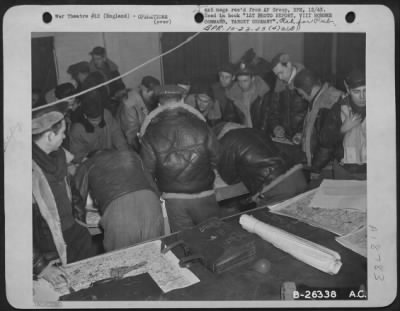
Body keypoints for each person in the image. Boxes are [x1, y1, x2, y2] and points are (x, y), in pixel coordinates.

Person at [139, 85, 221, 232]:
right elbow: (217, 157)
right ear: (183, 100)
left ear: (159, 105)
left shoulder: (150, 133)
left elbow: (147, 173)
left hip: (174, 201)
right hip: (205, 195)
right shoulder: (201, 124)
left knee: (187, 244)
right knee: (214, 238)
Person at [32, 110, 97, 286]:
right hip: (47, 244)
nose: (64, 137)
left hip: (72, 231)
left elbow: (72, 191)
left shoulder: (59, 156)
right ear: (49, 135)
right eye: (62, 133)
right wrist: (40, 266)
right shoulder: (25, 169)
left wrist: (79, 216)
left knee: (90, 278)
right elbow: (16, 228)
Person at [73, 150, 164, 251]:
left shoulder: (86, 165)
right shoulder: (131, 154)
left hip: (119, 211)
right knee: (153, 252)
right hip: (150, 202)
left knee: (121, 259)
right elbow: (151, 183)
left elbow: (77, 198)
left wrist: (81, 226)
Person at [214, 122, 308, 205]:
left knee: (271, 222)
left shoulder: (226, 141)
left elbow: (230, 178)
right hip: (298, 176)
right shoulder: (255, 132)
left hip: (276, 187)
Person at [293, 69, 344, 182]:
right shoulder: (320, 98)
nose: (302, 97)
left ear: (307, 89)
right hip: (323, 163)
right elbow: (317, 129)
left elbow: (327, 143)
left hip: (328, 167)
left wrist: (316, 168)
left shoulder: (329, 102)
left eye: (301, 93)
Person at [69, 79, 129, 163]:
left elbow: (117, 134)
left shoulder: (106, 114)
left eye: (99, 118)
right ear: (85, 116)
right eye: (94, 121)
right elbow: (76, 156)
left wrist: (126, 155)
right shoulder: (77, 129)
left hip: (110, 159)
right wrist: (92, 157)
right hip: (92, 165)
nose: (97, 123)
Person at [267, 53, 309, 164]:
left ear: (289, 65)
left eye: (281, 72)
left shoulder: (307, 80)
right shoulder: (279, 82)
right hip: (285, 140)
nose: (280, 77)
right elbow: (273, 110)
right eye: (277, 74)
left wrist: (303, 133)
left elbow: (315, 114)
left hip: (304, 141)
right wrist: (276, 127)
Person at [332, 69, 367, 180]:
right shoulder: (337, 108)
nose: (362, 97)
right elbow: (325, 141)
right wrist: (342, 129)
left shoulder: (383, 107)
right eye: (356, 92)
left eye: (366, 90)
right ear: (347, 89)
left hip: (373, 170)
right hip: (345, 169)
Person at [116, 76, 160, 151]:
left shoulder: (147, 100)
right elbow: (131, 138)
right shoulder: (129, 106)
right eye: (153, 94)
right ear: (146, 91)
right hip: (130, 148)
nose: (156, 97)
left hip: (142, 139)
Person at [226, 62, 270, 132]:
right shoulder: (232, 95)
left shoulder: (262, 93)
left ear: (253, 79)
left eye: (245, 81)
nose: (241, 84)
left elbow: (266, 118)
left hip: (260, 133)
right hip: (242, 134)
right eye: (239, 81)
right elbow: (230, 118)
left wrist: (260, 135)